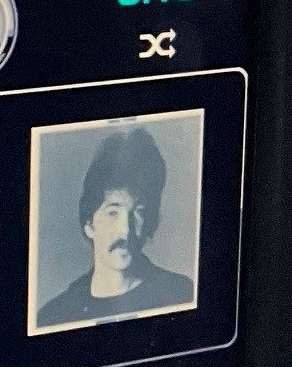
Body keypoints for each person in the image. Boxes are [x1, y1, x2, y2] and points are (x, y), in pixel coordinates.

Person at [35, 126, 194, 330]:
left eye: (137, 212)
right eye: (113, 212)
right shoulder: (54, 316)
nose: (124, 230)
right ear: (89, 225)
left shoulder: (181, 294)